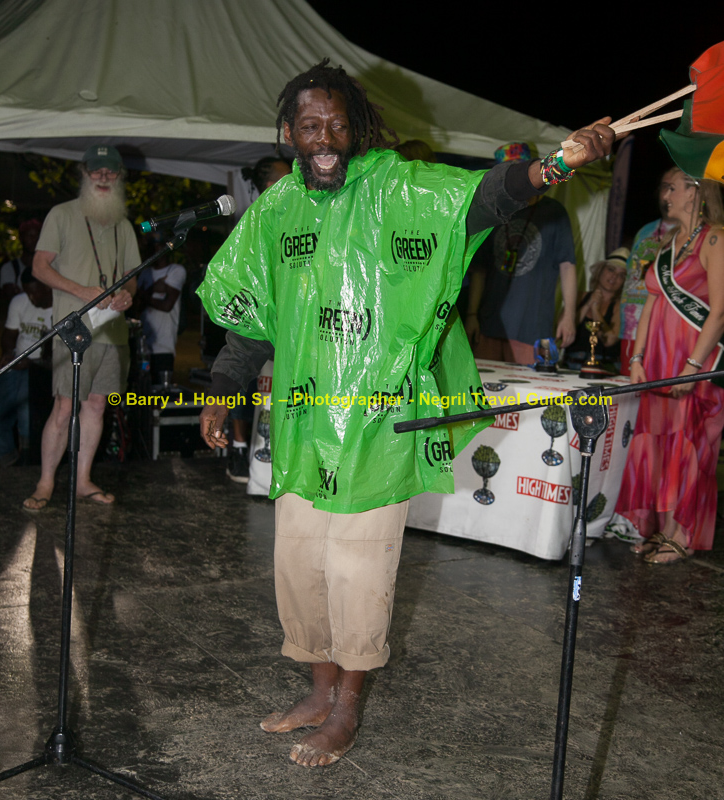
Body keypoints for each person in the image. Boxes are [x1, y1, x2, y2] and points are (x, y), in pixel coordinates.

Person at [197, 60, 615, 767]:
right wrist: (222, 388)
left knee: (358, 573)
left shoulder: (398, 188)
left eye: (335, 124)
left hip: (378, 426)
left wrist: (554, 166)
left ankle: (347, 709)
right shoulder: (276, 209)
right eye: (309, 126)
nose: (323, 139)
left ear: (355, 127)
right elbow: (253, 319)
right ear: (290, 133)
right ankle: (318, 692)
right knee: (300, 568)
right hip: (303, 425)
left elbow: (479, 202)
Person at [615, 168, 724, 563]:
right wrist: (638, 358)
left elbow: (720, 312)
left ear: (695, 191)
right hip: (659, 360)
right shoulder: (669, 242)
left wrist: (693, 367)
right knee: (659, 443)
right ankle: (662, 527)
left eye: (672, 187)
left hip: (695, 360)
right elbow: (652, 303)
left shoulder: (715, 238)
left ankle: (683, 533)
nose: (665, 194)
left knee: (690, 444)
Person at [23, 145, 139, 511]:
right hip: (74, 327)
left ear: (119, 176)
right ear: (84, 173)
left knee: (97, 405)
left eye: (110, 171)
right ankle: (45, 482)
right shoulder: (62, 214)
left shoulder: (123, 223)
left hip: (112, 330)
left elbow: (131, 277)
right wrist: (81, 291)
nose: (103, 177)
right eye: (96, 170)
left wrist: (128, 294)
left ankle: (83, 480)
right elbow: (39, 267)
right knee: (64, 406)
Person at [464, 141, 577, 364]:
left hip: (534, 329)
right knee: (484, 385)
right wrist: (472, 315)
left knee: (536, 387)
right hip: (489, 326)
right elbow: (480, 270)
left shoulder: (554, 212)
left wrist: (569, 315)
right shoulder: (495, 210)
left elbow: (567, 265)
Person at [224, 155, 292, 483]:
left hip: (286, 320)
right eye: (286, 177)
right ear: (269, 186)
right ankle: (239, 449)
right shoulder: (254, 221)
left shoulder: (296, 214)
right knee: (247, 382)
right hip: (254, 315)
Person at [618, 171, 675, 376]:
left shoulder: (691, 234)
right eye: (663, 187)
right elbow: (629, 276)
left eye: (672, 187)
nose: (666, 194)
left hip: (664, 330)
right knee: (628, 388)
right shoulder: (645, 231)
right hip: (631, 326)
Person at [0, 268, 52, 465]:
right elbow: (9, 335)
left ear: (47, 287)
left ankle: (29, 457)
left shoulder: (61, 307)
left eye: (34, 292)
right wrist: (9, 353)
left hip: (44, 369)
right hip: (18, 363)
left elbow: (55, 354)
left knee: (26, 411)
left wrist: (30, 362)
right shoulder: (19, 301)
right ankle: (6, 455)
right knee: (1, 408)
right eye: (27, 292)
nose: (31, 298)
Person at [565, 247, 629, 369]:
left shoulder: (622, 307)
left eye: (621, 275)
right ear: (600, 271)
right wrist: (588, 303)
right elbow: (562, 334)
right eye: (611, 269)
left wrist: (595, 309)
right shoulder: (579, 296)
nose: (614, 277)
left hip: (604, 369)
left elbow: (609, 340)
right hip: (570, 366)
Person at [134, 244, 187, 384]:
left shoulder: (176, 270)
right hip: (143, 346)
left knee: (162, 389)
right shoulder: (145, 273)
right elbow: (136, 306)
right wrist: (154, 288)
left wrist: (144, 294)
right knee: (143, 388)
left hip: (164, 346)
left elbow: (167, 305)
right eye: (154, 247)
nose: (157, 251)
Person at [0, 218, 42, 303]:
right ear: (21, 238)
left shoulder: (49, 266)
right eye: (30, 236)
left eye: (37, 236)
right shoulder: (10, 268)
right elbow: (9, 297)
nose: (34, 240)